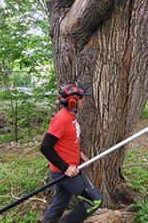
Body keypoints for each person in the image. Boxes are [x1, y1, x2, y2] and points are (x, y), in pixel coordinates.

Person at [40, 82, 102, 223]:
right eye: (81, 98)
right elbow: (45, 147)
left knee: (60, 201)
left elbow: (69, 139)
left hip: (66, 169)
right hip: (64, 172)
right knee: (95, 199)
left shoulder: (70, 116)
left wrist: (79, 153)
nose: (84, 101)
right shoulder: (62, 119)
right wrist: (66, 168)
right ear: (73, 102)